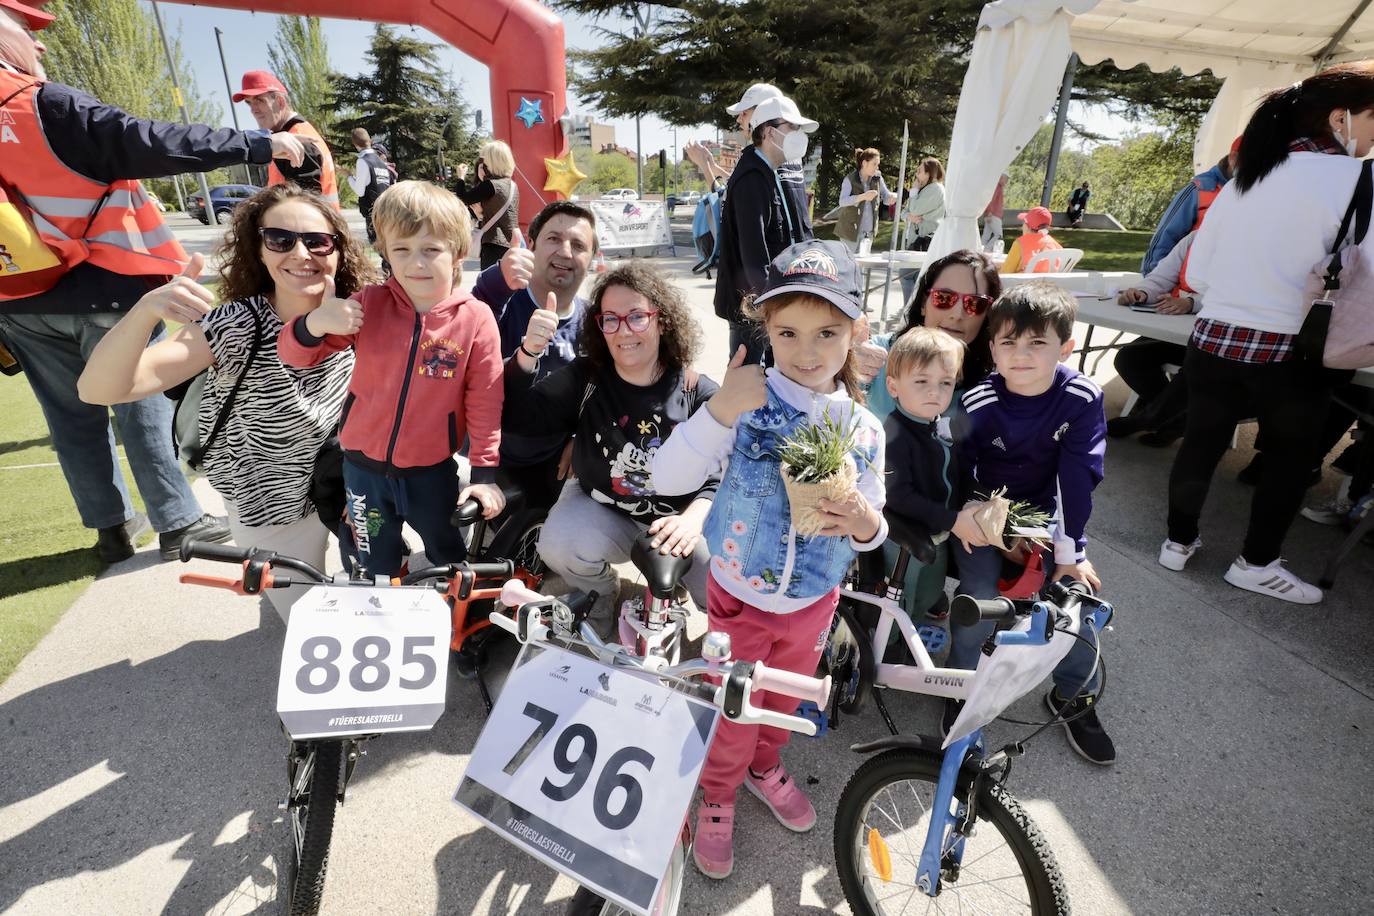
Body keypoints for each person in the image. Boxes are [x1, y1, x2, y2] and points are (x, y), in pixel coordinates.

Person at [0, 1, 316, 563]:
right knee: (139, 403)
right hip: (105, 284)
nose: (40, 44)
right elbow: (153, 141)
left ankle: (109, 530)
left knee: (68, 416)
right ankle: (177, 521)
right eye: (26, 29)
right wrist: (257, 144)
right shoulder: (41, 105)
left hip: (19, 298)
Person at [654, 240, 887, 880]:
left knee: (783, 701)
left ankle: (765, 766)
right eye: (787, 333)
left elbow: (872, 529)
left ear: (855, 332)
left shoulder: (864, 428)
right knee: (735, 704)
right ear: (764, 327)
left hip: (814, 602)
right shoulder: (745, 402)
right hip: (739, 595)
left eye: (827, 333)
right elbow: (666, 477)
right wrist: (720, 408)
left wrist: (866, 523)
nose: (807, 353)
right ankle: (719, 795)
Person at [78, 186, 375, 615]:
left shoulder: (362, 310)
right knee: (310, 618)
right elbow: (98, 390)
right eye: (280, 239)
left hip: (351, 492)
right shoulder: (237, 324)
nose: (300, 252)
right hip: (270, 507)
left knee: (371, 596)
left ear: (337, 249)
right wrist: (146, 311)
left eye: (316, 240)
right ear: (260, 249)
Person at [1161, 64, 1374, 604]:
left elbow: (1201, 271)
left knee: (1200, 445)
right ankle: (1256, 563)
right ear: (1340, 118)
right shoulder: (1360, 181)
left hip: (1213, 338)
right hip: (1294, 348)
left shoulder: (1248, 177)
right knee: (1287, 461)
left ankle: (1177, 542)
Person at [277, 181, 506, 577]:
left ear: (458, 251)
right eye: (402, 249)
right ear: (384, 251)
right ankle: (384, 614)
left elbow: (485, 401)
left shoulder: (475, 319)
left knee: (448, 558)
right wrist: (314, 323)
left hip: (430, 474)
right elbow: (295, 356)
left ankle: (453, 625)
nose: (416, 263)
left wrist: (484, 475)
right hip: (363, 475)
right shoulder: (368, 304)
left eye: (431, 249)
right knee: (376, 564)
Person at [503, 261, 720, 628]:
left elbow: (727, 470)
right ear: (598, 326)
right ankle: (599, 596)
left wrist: (693, 519)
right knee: (559, 542)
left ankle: (679, 592)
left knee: (721, 592)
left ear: (662, 320)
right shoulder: (587, 378)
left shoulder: (696, 392)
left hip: (677, 523)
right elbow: (517, 415)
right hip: (603, 509)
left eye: (637, 316)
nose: (623, 331)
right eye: (610, 319)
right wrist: (529, 352)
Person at [953, 282, 1113, 764]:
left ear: (1065, 347)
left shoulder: (1081, 398)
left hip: (1047, 517)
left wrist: (1070, 555)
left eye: (1037, 343)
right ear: (992, 346)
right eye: (1008, 342)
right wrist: (979, 523)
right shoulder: (978, 400)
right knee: (976, 604)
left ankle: (1071, 693)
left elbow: (1075, 481)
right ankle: (965, 697)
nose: (1021, 354)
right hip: (985, 512)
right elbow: (961, 473)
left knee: (1076, 605)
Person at [471, 200, 598, 508]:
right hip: (494, 461)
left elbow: (607, 392)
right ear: (532, 245)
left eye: (578, 245)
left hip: (559, 463)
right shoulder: (503, 302)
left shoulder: (596, 322)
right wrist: (496, 280)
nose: (565, 252)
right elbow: (460, 325)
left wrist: (581, 437)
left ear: (592, 258)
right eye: (554, 239)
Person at [881, 328, 985, 624]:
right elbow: (898, 496)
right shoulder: (895, 433)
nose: (934, 392)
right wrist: (953, 521)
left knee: (929, 592)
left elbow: (961, 471)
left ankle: (909, 633)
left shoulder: (940, 425)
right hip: (905, 540)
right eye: (922, 381)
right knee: (899, 603)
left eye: (945, 383)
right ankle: (890, 650)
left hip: (938, 532)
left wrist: (971, 503)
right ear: (893, 386)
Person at [714, 95, 817, 364]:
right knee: (747, 381)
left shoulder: (766, 171)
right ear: (769, 132)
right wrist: (774, 309)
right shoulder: (752, 178)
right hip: (752, 311)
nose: (798, 135)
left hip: (762, 305)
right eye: (792, 128)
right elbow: (754, 255)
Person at [864, 250, 1001, 422]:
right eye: (944, 298)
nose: (957, 314)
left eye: (975, 304)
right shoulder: (876, 357)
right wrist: (845, 361)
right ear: (923, 303)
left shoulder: (999, 380)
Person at [685, 82, 813, 240]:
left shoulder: (761, 156)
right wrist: (714, 167)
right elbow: (747, 183)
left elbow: (728, 204)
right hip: (798, 252)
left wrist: (705, 167)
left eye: (744, 113)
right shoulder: (789, 155)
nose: (738, 119)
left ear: (763, 112)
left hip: (773, 258)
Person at [1107, 231, 1198, 445]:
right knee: (1129, 357)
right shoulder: (1195, 239)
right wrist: (1142, 292)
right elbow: (1161, 277)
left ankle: (1152, 418)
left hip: (1215, 334)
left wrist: (1193, 302)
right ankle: (1173, 421)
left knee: (1195, 368)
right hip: (1177, 327)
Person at [234, 70, 339, 209]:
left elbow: (305, 210)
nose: (253, 109)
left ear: (280, 101)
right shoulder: (292, 134)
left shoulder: (295, 140)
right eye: (249, 103)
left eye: (259, 100)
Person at [1141, 136, 1240, 275]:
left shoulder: (1253, 191)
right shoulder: (1199, 189)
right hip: (1185, 285)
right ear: (1233, 158)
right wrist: (1152, 283)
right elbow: (1166, 236)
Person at [454, 140, 521, 270]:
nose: (483, 163)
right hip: (511, 242)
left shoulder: (490, 185)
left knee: (491, 286)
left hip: (493, 244)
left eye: (485, 160)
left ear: (492, 161)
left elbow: (462, 198)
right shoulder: (512, 185)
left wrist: (461, 177)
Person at [898, 157, 947, 303]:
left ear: (928, 173)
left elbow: (915, 208)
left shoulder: (935, 189)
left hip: (925, 239)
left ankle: (910, 309)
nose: (917, 174)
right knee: (911, 275)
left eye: (920, 171)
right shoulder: (923, 189)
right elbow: (904, 212)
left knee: (907, 275)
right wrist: (910, 216)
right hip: (915, 238)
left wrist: (913, 193)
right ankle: (912, 309)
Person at [835, 148, 897, 252]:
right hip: (849, 232)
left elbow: (886, 197)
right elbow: (842, 201)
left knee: (863, 265)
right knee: (849, 264)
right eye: (874, 164)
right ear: (864, 163)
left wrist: (892, 197)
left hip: (868, 233)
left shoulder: (877, 178)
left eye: (878, 164)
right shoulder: (849, 179)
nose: (877, 167)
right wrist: (863, 196)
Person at [346, 127, 393, 245]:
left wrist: (348, 176)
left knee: (378, 245)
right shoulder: (381, 162)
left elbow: (360, 191)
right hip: (386, 211)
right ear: (370, 141)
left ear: (355, 144)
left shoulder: (363, 161)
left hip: (372, 213)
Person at [999, 206, 1062, 273]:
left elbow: (1005, 272)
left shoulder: (1020, 244)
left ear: (1027, 226)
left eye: (1024, 223)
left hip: (1022, 283)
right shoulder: (1056, 245)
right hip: (1049, 283)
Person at [980, 173, 1009, 252]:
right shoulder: (997, 187)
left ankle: (980, 250)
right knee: (999, 235)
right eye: (1006, 179)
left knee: (986, 235)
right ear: (1001, 178)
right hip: (993, 215)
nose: (1007, 182)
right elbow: (990, 200)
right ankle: (987, 250)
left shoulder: (996, 186)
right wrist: (989, 212)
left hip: (991, 214)